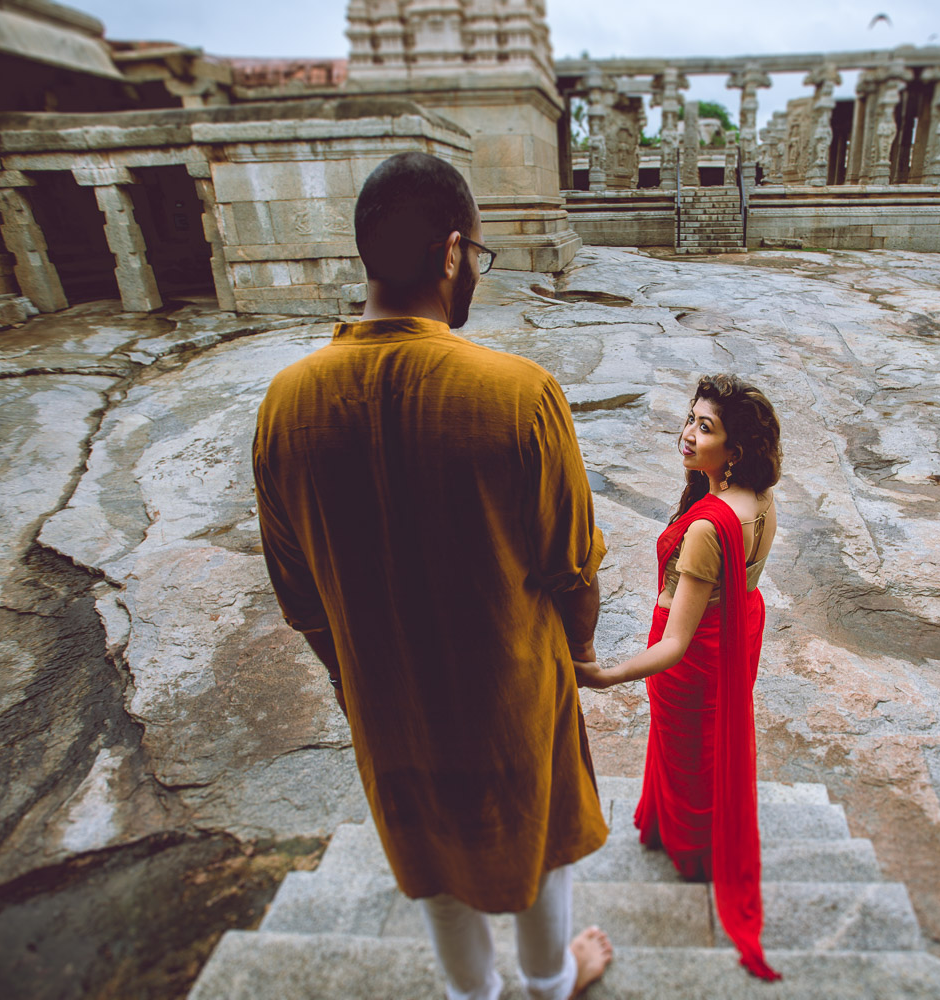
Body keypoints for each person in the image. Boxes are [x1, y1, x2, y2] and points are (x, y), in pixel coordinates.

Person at [252, 151, 612, 1000]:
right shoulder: (519, 392)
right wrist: (582, 654)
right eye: (477, 257)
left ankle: (472, 996)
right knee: (541, 840)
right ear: (453, 253)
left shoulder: (285, 403)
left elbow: (299, 596)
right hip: (514, 693)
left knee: (432, 861)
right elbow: (573, 567)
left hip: (385, 700)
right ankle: (552, 981)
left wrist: (353, 684)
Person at [574, 374, 783, 981]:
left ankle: (693, 852)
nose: (688, 434)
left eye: (705, 427)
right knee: (706, 747)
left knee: (689, 750)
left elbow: (673, 645)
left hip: (692, 660)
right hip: (737, 631)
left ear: (735, 450)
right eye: (691, 419)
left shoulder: (705, 529)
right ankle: (690, 835)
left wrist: (604, 675)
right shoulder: (760, 501)